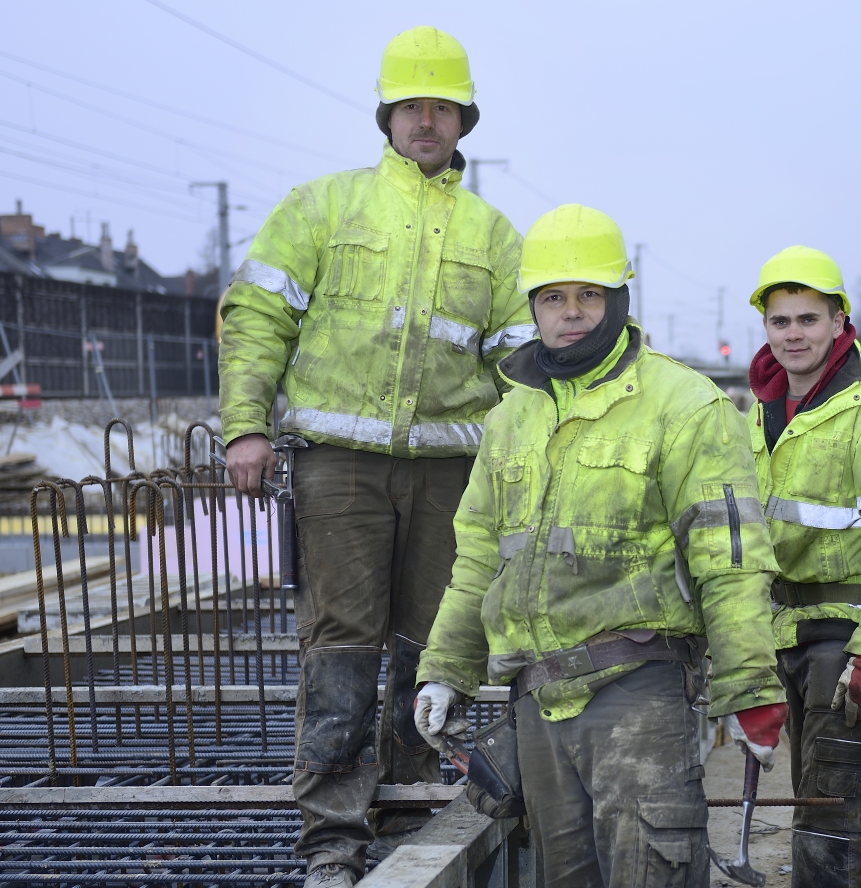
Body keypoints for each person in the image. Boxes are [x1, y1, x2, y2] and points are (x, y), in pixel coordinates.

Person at [216, 27, 529, 888]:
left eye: (442, 108)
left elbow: (519, 366)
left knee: (435, 644)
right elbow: (256, 315)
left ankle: (414, 802)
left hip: (449, 473)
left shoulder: (494, 236)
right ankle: (332, 834)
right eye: (411, 107)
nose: (426, 121)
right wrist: (245, 423)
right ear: (386, 116)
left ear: (465, 120)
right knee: (342, 642)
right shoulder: (324, 206)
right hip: (340, 467)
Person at [413, 204, 789, 887]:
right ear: (533, 306)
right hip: (535, 698)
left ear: (618, 298)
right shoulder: (509, 418)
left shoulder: (684, 405)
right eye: (554, 297)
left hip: (636, 691)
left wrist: (750, 687)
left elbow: (730, 560)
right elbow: (475, 557)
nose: (572, 311)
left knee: (652, 873)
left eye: (589, 294)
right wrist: (446, 665)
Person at [745, 246, 861, 886]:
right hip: (784, 633)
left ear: (838, 321)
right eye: (780, 321)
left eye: (808, 319)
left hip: (845, 637)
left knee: (826, 808)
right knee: (837, 796)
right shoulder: (759, 416)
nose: (793, 334)